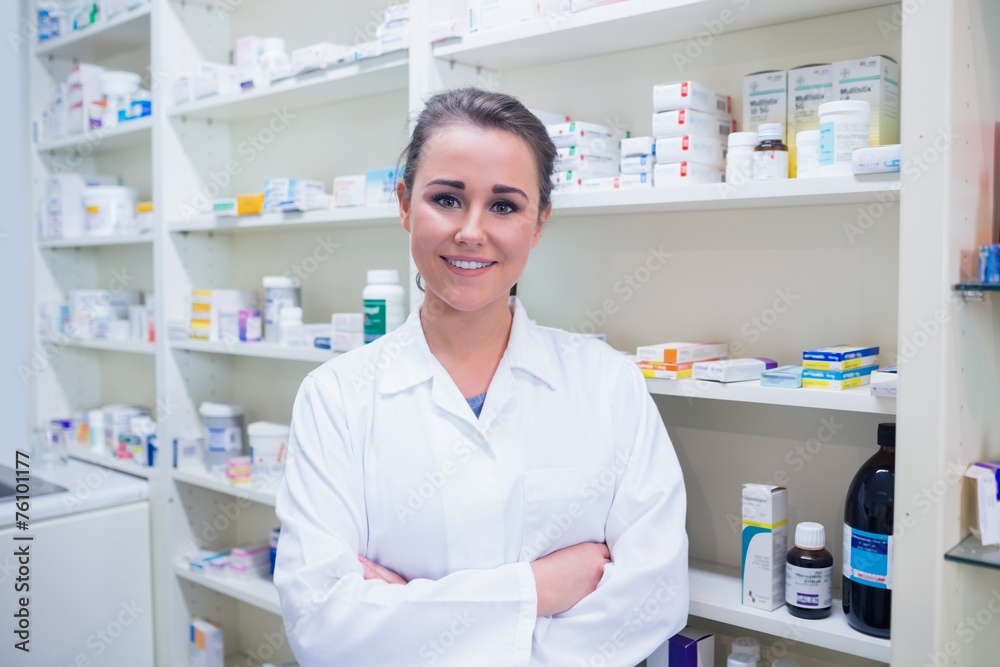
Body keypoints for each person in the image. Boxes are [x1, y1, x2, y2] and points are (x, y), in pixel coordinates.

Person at [274, 88, 688, 666]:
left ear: (539, 221)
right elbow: (321, 623)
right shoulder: (336, 396)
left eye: (504, 206)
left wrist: (411, 610)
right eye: (446, 198)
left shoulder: (607, 384)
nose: (472, 231)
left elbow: (653, 598)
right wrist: (538, 590)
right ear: (404, 204)